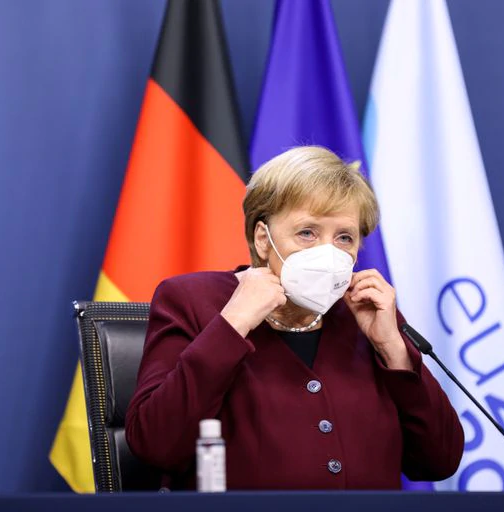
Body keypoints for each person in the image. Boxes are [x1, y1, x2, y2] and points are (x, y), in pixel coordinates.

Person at [125, 146, 464, 490]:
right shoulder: (192, 301)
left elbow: (440, 460)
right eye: (307, 233)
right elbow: (156, 445)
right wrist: (233, 323)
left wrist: (392, 347)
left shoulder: (365, 316)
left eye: (344, 237)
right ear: (262, 239)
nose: (327, 252)